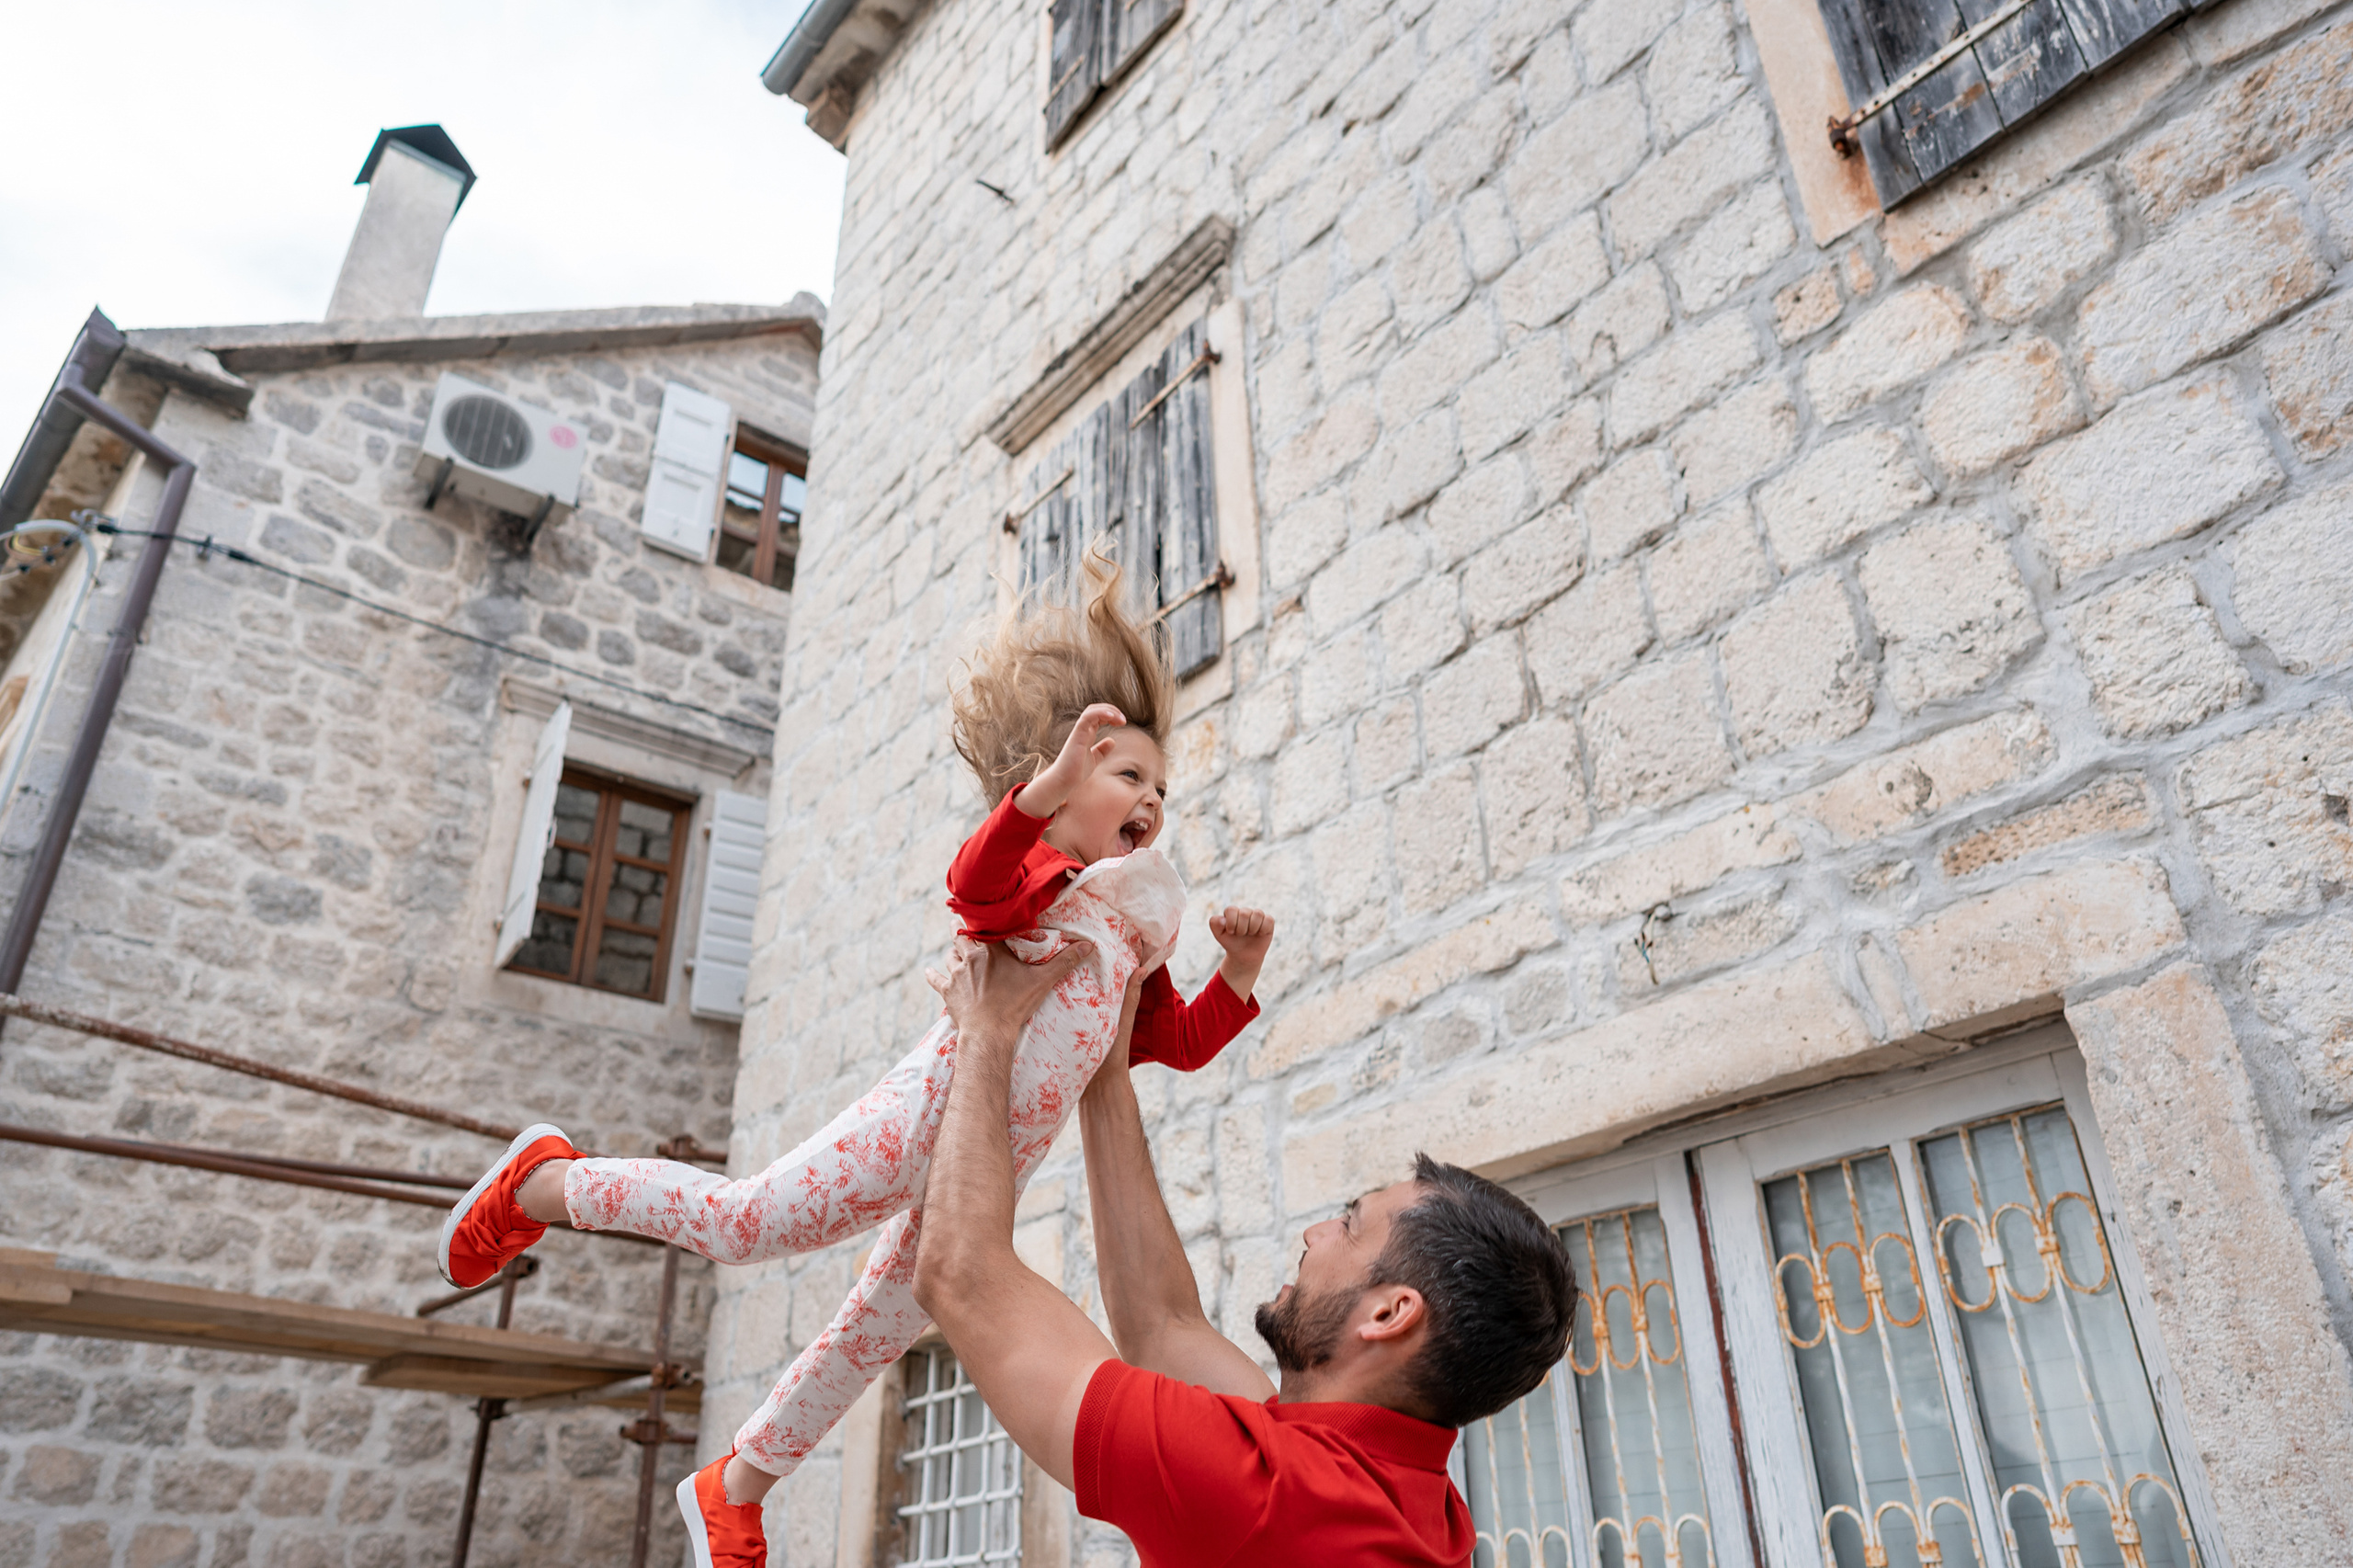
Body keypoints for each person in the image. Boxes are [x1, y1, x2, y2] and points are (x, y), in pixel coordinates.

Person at [430, 559, 1277, 1558]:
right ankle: (548, 1184)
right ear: (1049, 789)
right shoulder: (1031, 877)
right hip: (934, 1110)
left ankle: (735, 1486)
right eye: (1126, 774)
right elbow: (972, 883)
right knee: (749, 1221)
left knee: (881, 1327)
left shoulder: (1135, 922)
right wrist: (1041, 792)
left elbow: (1164, 1043)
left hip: (986, 1163)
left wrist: (1237, 971)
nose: (1152, 799)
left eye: (1160, 786)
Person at [911, 937, 1580, 1567]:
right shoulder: (1405, 1500)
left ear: (1390, 1313)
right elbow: (1162, 1323)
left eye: (1349, 1225)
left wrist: (990, 1027)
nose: (1315, 1232)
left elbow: (959, 1271)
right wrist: (1104, 1066)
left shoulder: (1265, 1496)